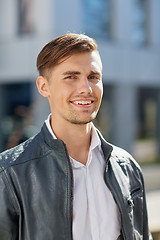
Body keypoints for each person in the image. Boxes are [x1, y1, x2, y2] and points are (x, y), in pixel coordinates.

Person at [0, 33, 152, 240]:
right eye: (71, 76)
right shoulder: (9, 174)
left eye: (93, 77)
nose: (86, 89)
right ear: (44, 87)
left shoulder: (127, 167)